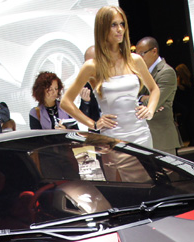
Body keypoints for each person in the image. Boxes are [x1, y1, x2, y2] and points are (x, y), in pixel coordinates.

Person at [59, 6, 160, 147]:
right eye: (114, 25)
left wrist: (150, 111)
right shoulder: (92, 66)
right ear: (102, 28)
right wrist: (93, 124)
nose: (120, 29)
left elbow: (154, 89)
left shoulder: (135, 60)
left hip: (141, 134)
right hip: (113, 138)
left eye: (122, 24)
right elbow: (65, 102)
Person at [135, 36, 180, 153]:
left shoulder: (166, 72)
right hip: (142, 136)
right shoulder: (139, 73)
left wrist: (145, 100)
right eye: (136, 54)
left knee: (166, 166)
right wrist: (142, 98)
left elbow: (154, 102)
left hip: (162, 137)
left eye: (142, 53)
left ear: (154, 51)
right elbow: (131, 98)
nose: (138, 57)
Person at [78, 46, 102, 125]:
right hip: (97, 130)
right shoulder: (86, 86)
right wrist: (86, 102)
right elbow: (82, 119)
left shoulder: (114, 79)